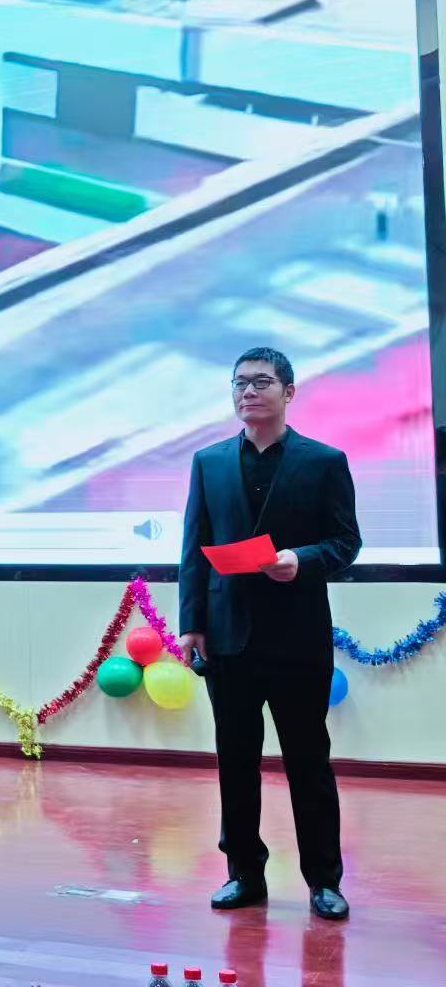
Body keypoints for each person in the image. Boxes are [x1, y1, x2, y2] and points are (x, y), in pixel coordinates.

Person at [179, 347, 361, 921]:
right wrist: (192, 625)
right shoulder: (208, 463)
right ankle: (243, 874)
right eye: (240, 383)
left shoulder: (324, 461)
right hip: (228, 638)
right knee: (235, 762)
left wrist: (301, 559)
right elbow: (194, 549)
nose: (248, 392)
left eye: (261, 382)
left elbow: (345, 542)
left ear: (289, 392)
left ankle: (324, 881)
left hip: (297, 638)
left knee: (308, 762)